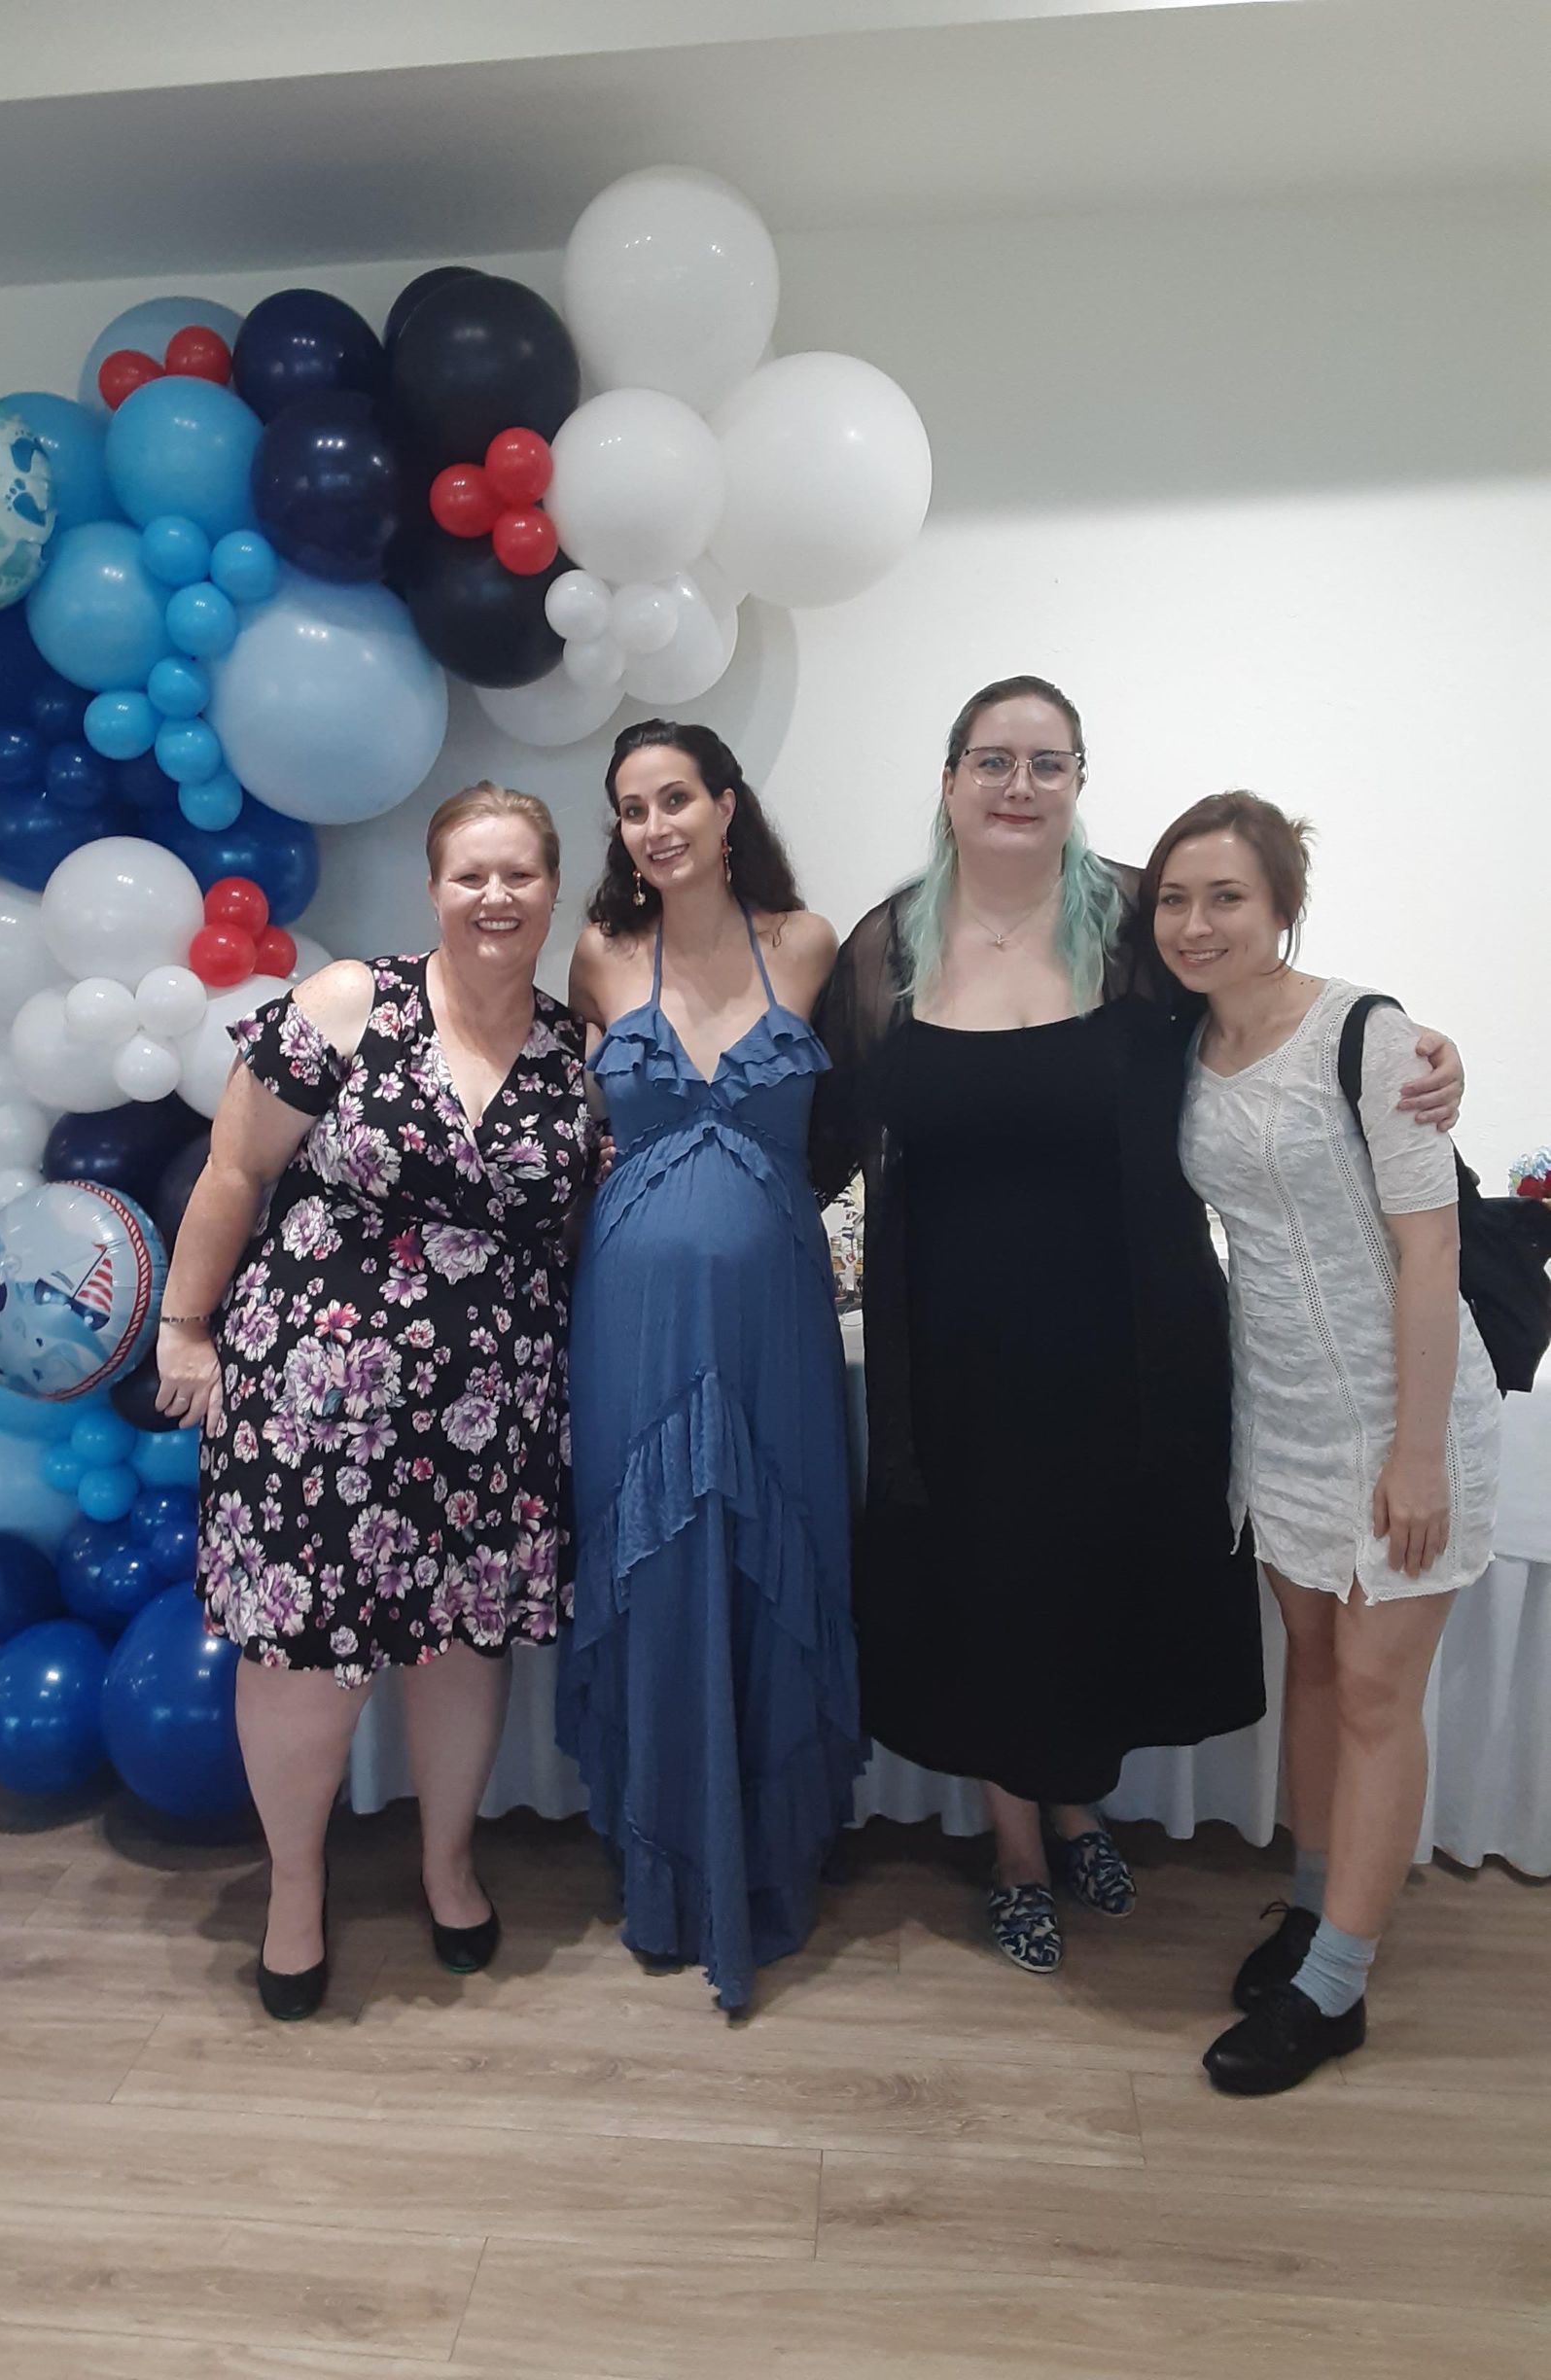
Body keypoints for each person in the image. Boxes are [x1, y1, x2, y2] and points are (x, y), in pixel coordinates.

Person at [808, 677, 1464, 1977]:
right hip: (955, 1346)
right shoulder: (887, 948)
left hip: (1128, 1336)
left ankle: (1075, 1809)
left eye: (1048, 763)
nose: (1019, 786)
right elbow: (818, 1128)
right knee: (988, 1586)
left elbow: (1267, 1013)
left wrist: (1415, 1047)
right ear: (949, 780)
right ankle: (1013, 1848)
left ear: (1078, 782)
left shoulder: (1138, 924)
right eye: (993, 760)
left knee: (1087, 1581)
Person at [157, 784, 591, 2019]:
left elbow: (572, 1228)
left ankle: (447, 1865)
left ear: (553, 889)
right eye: (471, 875)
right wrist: (184, 1327)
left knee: (461, 1643)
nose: (496, 896)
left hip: (492, 1409)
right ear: (434, 888)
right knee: (303, 1655)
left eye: (519, 874)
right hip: (316, 1403)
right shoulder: (351, 1001)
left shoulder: (573, 1053)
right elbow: (234, 1167)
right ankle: (295, 1891)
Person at [1147, 791, 1501, 2091]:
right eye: (1175, 898)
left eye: (1227, 897)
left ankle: (1338, 1988)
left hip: (1404, 1411)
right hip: (1280, 1410)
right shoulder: (1180, 1045)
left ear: (1282, 906)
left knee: (1374, 1692)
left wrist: (1416, 1455)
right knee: (1310, 1667)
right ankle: (1311, 1914)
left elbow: (1432, 1249)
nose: (1197, 923)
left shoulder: (1370, 1035)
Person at [559, 718, 864, 2012]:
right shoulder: (598, 951)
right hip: (629, 1318)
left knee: (767, 1554)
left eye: (676, 797)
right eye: (633, 808)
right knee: (655, 1561)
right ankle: (664, 1865)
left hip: (773, 1318)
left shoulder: (808, 943)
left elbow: (874, 1107)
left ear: (728, 806)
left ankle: (769, 1859)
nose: (655, 826)